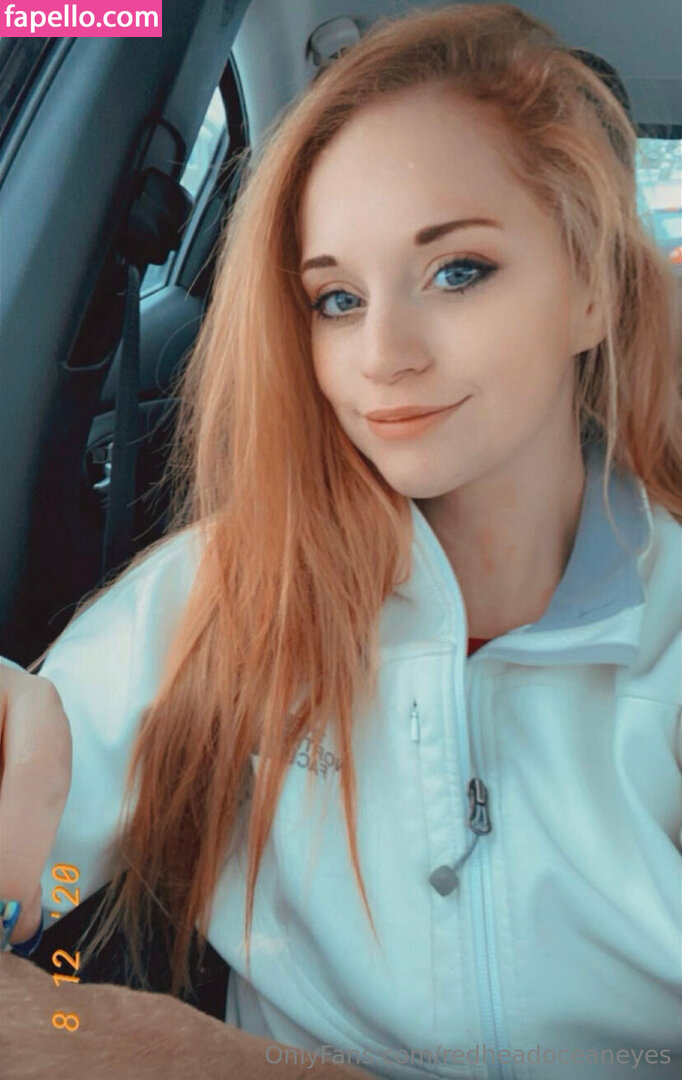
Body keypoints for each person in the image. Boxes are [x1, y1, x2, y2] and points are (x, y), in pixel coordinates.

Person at [1, 4, 681, 1077]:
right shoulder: (228, 593)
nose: (383, 354)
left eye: (458, 271)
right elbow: (33, 849)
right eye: (336, 298)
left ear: (592, 287)